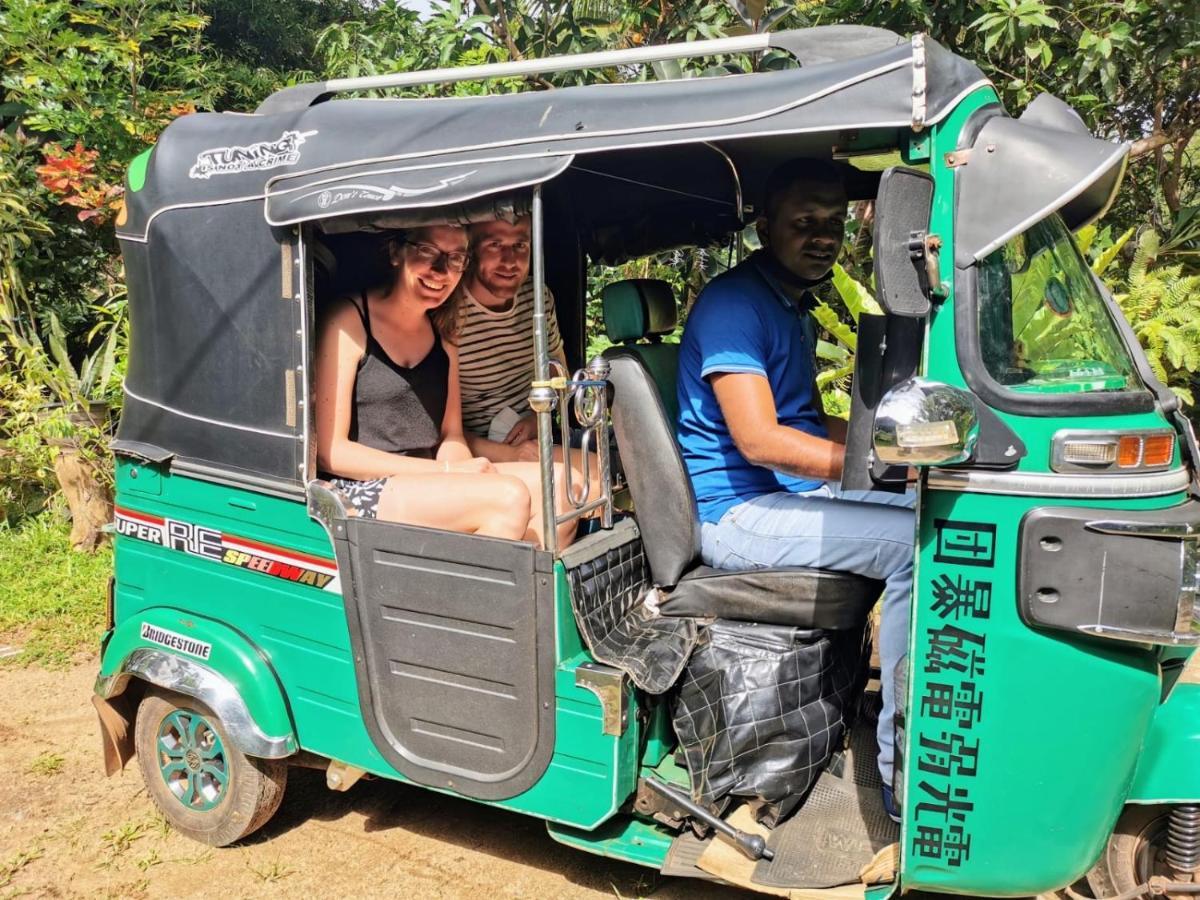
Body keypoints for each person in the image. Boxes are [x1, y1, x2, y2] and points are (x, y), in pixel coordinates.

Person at [674, 158, 914, 820]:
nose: (822, 236)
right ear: (764, 226)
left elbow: (808, 423)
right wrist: (870, 467)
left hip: (780, 496)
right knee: (912, 550)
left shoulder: (789, 306)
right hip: (736, 512)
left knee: (935, 509)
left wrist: (897, 451)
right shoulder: (733, 305)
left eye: (833, 223)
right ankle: (903, 768)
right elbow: (762, 441)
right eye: (804, 221)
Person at [314, 224, 579, 549]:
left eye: (455, 259)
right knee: (508, 497)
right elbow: (331, 453)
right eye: (428, 252)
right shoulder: (349, 319)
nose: (441, 271)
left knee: (564, 487)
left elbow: (451, 434)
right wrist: (447, 471)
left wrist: (459, 467)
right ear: (397, 252)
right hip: (359, 490)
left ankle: (527, 594)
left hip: (430, 480)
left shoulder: (444, 330)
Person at [455, 215, 567, 462]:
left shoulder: (538, 297)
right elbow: (441, 430)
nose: (510, 261)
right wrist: (510, 454)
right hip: (476, 453)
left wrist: (537, 418)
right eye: (495, 245)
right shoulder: (449, 309)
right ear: (470, 250)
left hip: (535, 436)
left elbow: (558, 372)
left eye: (520, 245)